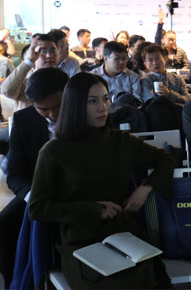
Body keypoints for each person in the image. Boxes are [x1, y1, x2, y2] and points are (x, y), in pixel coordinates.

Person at [28, 72, 175, 289]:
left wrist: (145, 188)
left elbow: (166, 159)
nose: (102, 108)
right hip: (81, 242)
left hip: (125, 236)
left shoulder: (121, 141)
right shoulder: (54, 151)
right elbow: (38, 208)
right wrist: (93, 209)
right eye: (92, 101)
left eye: (106, 99)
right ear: (75, 105)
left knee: (152, 281)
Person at [0, 67, 68, 289]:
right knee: (1, 228)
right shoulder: (24, 120)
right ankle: (14, 283)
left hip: (81, 189)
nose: (52, 114)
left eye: (58, 106)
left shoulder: (87, 113)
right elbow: (15, 173)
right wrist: (32, 196)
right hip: (39, 192)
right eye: (43, 109)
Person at [1, 34, 58, 111]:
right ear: (34, 53)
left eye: (53, 50)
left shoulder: (62, 80)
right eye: (43, 51)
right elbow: (7, 91)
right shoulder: (25, 82)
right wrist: (28, 61)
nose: (49, 55)